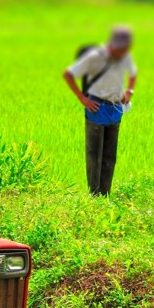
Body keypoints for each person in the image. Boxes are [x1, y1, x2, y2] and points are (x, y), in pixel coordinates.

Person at [62, 26, 137, 197]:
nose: (123, 53)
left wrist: (129, 92)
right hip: (97, 108)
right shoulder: (95, 57)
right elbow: (68, 74)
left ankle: (106, 194)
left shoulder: (125, 56)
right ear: (114, 45)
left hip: (115, 108)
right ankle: (94, 196)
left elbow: (133, 73)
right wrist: (82, 98)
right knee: (94, 155)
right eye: (120, 49)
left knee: (110, 157)